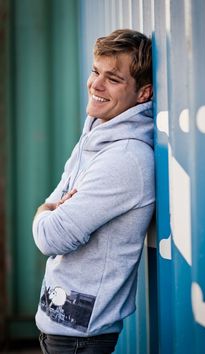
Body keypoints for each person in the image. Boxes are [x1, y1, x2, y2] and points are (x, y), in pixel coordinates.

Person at [33, 28, 155, 354]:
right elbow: (53, 203)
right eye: (95, 71)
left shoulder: (125, 158)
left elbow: (49, 236)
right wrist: (51, 209)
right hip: (59, 322)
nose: (96, 85)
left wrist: (47, 212)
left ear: (143, 93)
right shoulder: (96, 134)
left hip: (80, 337)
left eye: (113, 79)